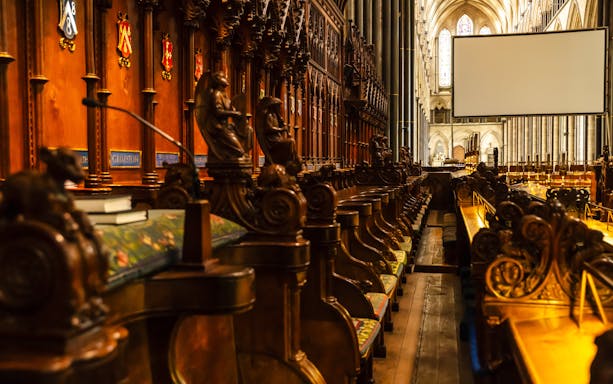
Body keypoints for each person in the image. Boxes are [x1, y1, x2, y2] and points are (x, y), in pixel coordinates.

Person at [195, 71, 245, 162]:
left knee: (246, 135)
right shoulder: (216, 94)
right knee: (239, 151)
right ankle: (226, 158)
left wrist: (234, 110)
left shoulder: (224, 95)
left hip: (225, 126)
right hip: (217, 126)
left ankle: (229, 158)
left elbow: (230, 106)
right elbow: (218, 112)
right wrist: (234, 114)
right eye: (223, 78)